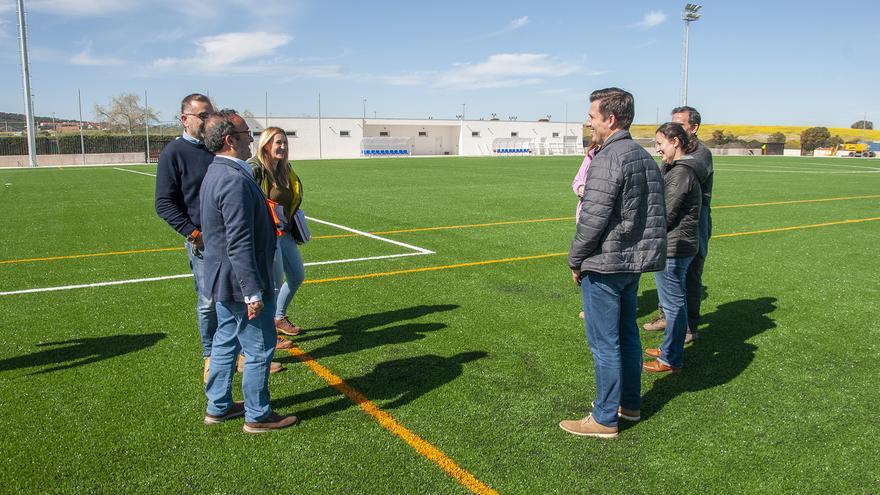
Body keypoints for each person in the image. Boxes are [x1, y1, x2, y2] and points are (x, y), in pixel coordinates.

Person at [559, 88, 667, 439]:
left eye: (592, 116)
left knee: (604, 343)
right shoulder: (643, 156)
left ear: (611, 119)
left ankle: (605, 418)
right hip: (631, 263)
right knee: (626, 335)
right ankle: (629, 405)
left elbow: (593, 217)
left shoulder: (608, 157)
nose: (587, 122)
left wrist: (576, 258)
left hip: (606, 263)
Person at [199, 110, 298, 432]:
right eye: (245, 137)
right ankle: (257, 415)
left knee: (226, 340)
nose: (250, 142)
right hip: (241, 279)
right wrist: (252, 290)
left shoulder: (216, 171)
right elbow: (238, 239)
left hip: (222, 278)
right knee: (258, 348)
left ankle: (219, 406)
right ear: (230, 141)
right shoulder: (233, 178)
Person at [154, 94, 217, 382]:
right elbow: (163, 204)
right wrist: (194, 234)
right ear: (185, 119)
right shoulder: (173, 153)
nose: (208, 120)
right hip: (203, 242)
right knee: (208, 302)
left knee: (238, 298)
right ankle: (210, 358)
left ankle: (240, 354)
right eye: (202, 115)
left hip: (231, 238)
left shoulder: (217, 149)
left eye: (210, 114)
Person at [643, 106, 713, 343]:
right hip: (675, 217)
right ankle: (667, 316)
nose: (674, 127)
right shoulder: (673, 157)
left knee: (689, 272)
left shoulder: (698, 155)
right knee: (668, 272)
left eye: (680, 125)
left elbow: (677, 191)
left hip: (693, 219)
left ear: (693, 128)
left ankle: (689, 327)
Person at [247, 127, 306, 339]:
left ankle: (278, 317)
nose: (282, 146)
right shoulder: (254, 169)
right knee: (272, 285)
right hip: (267, 235)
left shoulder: (285, 169)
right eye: (277, 142)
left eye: (284, 143)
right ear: (265, 144)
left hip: (285, 232)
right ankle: (267, 334)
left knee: (297, 276)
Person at [572, 142, 598, 321]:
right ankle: (591, 307)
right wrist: (580, 187)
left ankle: (597, 310)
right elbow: (576, 180)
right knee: (586, 264)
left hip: (597, 218)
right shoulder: (590, 155)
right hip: (584, 217)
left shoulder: (610, 156)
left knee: (594, 265)